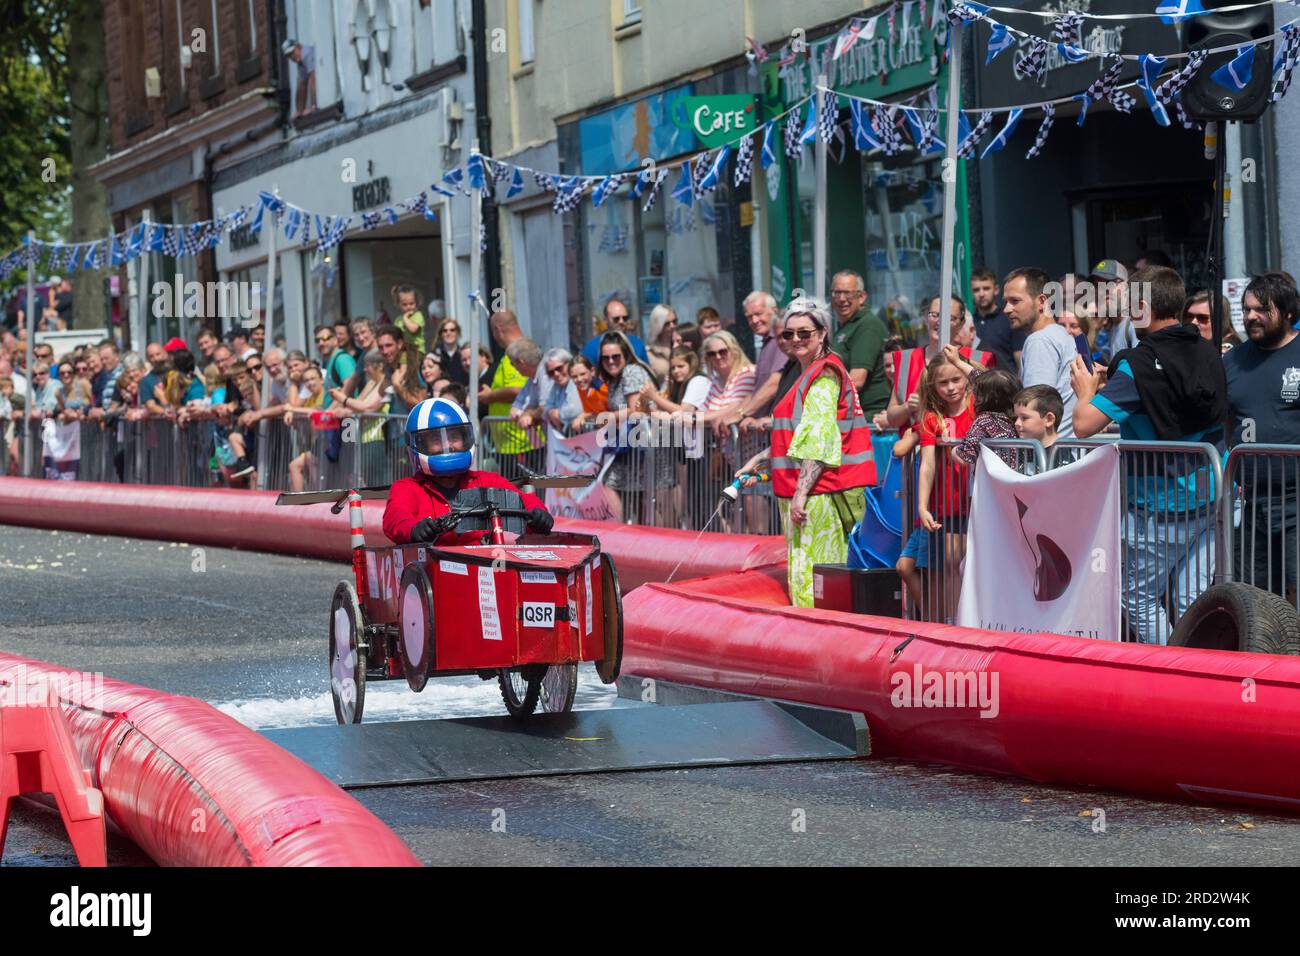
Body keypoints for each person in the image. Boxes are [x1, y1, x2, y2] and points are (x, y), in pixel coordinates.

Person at [1071, 265, 1226, 645]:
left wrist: (1085, 390)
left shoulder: (1136, 364)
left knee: (1137, 598)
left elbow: (1083, 425)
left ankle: (1179, 671)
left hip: (1159, 506)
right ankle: (1202, 676)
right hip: (1211, 499)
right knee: (1191, 599)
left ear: (1143, 307)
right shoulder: (1207, 349)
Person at [735, 298, 875, 608]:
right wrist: (760, 461)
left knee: (814, 577)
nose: (796, 340)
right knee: (805, 572)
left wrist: (800, 494)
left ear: (823, 333)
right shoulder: (806, 373)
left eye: (805, 333)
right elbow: (797, 438)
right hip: (809, 492)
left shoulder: (823, 375)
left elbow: (820, 439)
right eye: (789, 334)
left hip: (821, 495)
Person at [1222, 273, 1300, 600]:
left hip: (1297, 499)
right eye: (1247, 309)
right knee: (1254, 598)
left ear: (1288, 313)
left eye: (1262, 309)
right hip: (1254, 503)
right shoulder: (1232, 361)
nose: (1251, 316)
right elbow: (1227, 422)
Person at [383, 397, 552, 544]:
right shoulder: (407, 488)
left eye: (454, 437)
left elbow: (525, 502)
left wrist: (540, 515)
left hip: (484, 569)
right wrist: (413, 530)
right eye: (436, 439)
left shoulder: (487, 481)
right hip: (432, 568)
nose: (447, 445)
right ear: (417, 444)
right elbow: (395, 520)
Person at [900, 351, 974, 621]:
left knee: (954, 563)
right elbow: (927, 464)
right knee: (938, 569)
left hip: (973, 502)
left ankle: (955, 622)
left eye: (956, 379)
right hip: (943, 505)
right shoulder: (932, 417)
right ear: (933, 385)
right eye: (943, 383)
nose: (951, 388)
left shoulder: (978, 406)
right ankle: (941, 622)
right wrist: (922, 506)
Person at [876, 295, 993, 434]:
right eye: (934, 315)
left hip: (965, 450)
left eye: (949, 317)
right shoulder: (907, 360)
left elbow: (992, 412)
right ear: (925, 318)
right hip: (918, 451)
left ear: (961, 323)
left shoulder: (978, 360)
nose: (940, 322)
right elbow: (892, 419)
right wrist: (908, 407)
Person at [1005, 266, 1077, 438]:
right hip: (1061, 453)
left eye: (1015, 301)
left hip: (1049, 456)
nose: (1006, 309)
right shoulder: (1059, 334)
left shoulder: (1040, 340)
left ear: (1042, 301)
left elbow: (1033, 411)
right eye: (1005, 301)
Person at [827, 271, 890, 418]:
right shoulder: (846, 326)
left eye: (848, 293)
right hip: (849, 414)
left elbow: (857, 380)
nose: (842, 299)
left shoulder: (867, 325)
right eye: (837, 293)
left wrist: (821, 404)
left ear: (861, 297)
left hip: (866, 417)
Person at [951, 366, 1021, 470]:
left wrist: (954, 451)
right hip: (1021, 479)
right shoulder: (1019, 419)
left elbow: (965, 457)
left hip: (995, 482)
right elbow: (986, 382)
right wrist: (957, 362)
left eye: (977, 394)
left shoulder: (984, 421)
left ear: (985, 398)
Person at [970, 266, 1024, 374]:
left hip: (1007, 385)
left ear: (996, 290)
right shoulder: (969, 323)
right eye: (976, 290)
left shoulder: (1009, 319)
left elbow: (1020, 360)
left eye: (986, 288)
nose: (981, 294)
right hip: (977, 384)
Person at [581, 298, 649, 369]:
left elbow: (647, 373)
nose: (621, 322)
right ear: (605, 321)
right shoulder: (592, 347)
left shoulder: (637, 343)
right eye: (616, 319)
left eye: (625, 318)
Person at [1012, 384, 1062, 450]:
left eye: (1024, 418)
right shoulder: (1025, 452)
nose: (1016, 423)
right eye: (1015, 418)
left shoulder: (1060, 457)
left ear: (1049, 419)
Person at [568, 355, 607, 430]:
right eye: (574, 377)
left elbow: (619, 408)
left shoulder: (602, 388)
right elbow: (591, 412)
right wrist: (583, 416)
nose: (579, 379)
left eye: (583, 374)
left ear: (592, 371)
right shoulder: (581, 389)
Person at [282, 38, 317, 118]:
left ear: (299, 46)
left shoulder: (306, 54)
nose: (292, 57)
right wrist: (300, 111)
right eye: (289, 55)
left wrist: (314, 106)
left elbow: (313, 79)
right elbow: (302, 85)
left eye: (292, 52)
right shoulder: (300, 62)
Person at [644, 304, 677, 383]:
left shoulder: (682, 343)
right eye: (667, 324)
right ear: (657, 325)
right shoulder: (649, 352)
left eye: (674, 321)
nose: (672, 326)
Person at [433, 317, 467, 385]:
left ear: (457, 332)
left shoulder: (464, 355)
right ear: (441, 334)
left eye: (452, 330)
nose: (448, 333)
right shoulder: (435, 356)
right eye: (445, 331)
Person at [392, 284, 426, 354]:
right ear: (398, 305)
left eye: (411, 303)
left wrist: (405, 318)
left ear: (416, 303)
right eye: (404, 304)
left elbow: (413, 329)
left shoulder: (418, 315)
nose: (408, 307)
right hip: (403, 351)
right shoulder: (398, 320)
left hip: (417, 351)